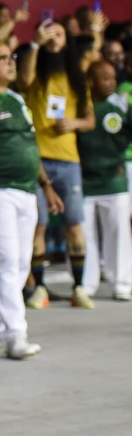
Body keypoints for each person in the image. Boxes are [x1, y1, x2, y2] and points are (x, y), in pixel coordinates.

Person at [0, 39, 63, 360]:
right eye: (1, 58)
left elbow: (31, 147)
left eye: (11, 56)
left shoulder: (18, 100)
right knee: (7, 263)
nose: (10, 62)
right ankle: (17, 335)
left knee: (20, 264)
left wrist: (46, 185)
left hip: (26, 190)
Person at [18, 19, 96, 309]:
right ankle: (39, 288)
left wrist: (75, 122)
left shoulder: (77, 78)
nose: (53, 39)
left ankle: (79, 288)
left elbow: (90, 120)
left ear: (68, 41)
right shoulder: (35, 71)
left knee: (73, 224)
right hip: (36, 160)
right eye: (48, 33)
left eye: (59, 34)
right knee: (38, 225)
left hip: (68, 161)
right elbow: (23, 80)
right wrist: (35, 44)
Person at [78, 60, 132, 300]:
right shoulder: (80, 105)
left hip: (113, 180)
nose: (111, 82)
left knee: (118, 233)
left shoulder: (120, 104)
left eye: (113, 77)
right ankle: (86, 286)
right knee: (85, 235)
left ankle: (121, 283)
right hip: (83, 181)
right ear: (91, 80)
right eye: (105, 77)